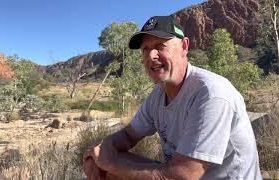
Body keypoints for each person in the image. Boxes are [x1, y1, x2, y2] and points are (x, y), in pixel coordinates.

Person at [83, 15, 262, 180]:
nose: (151, 56)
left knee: (113, 167)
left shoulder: (211, 94)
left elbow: (183, 175)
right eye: (145, 49)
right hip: (178, 172)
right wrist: (102, 149)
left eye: (160, 46)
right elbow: (129, 135)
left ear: (184, 46)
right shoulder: (158, 96)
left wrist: (110, 163)